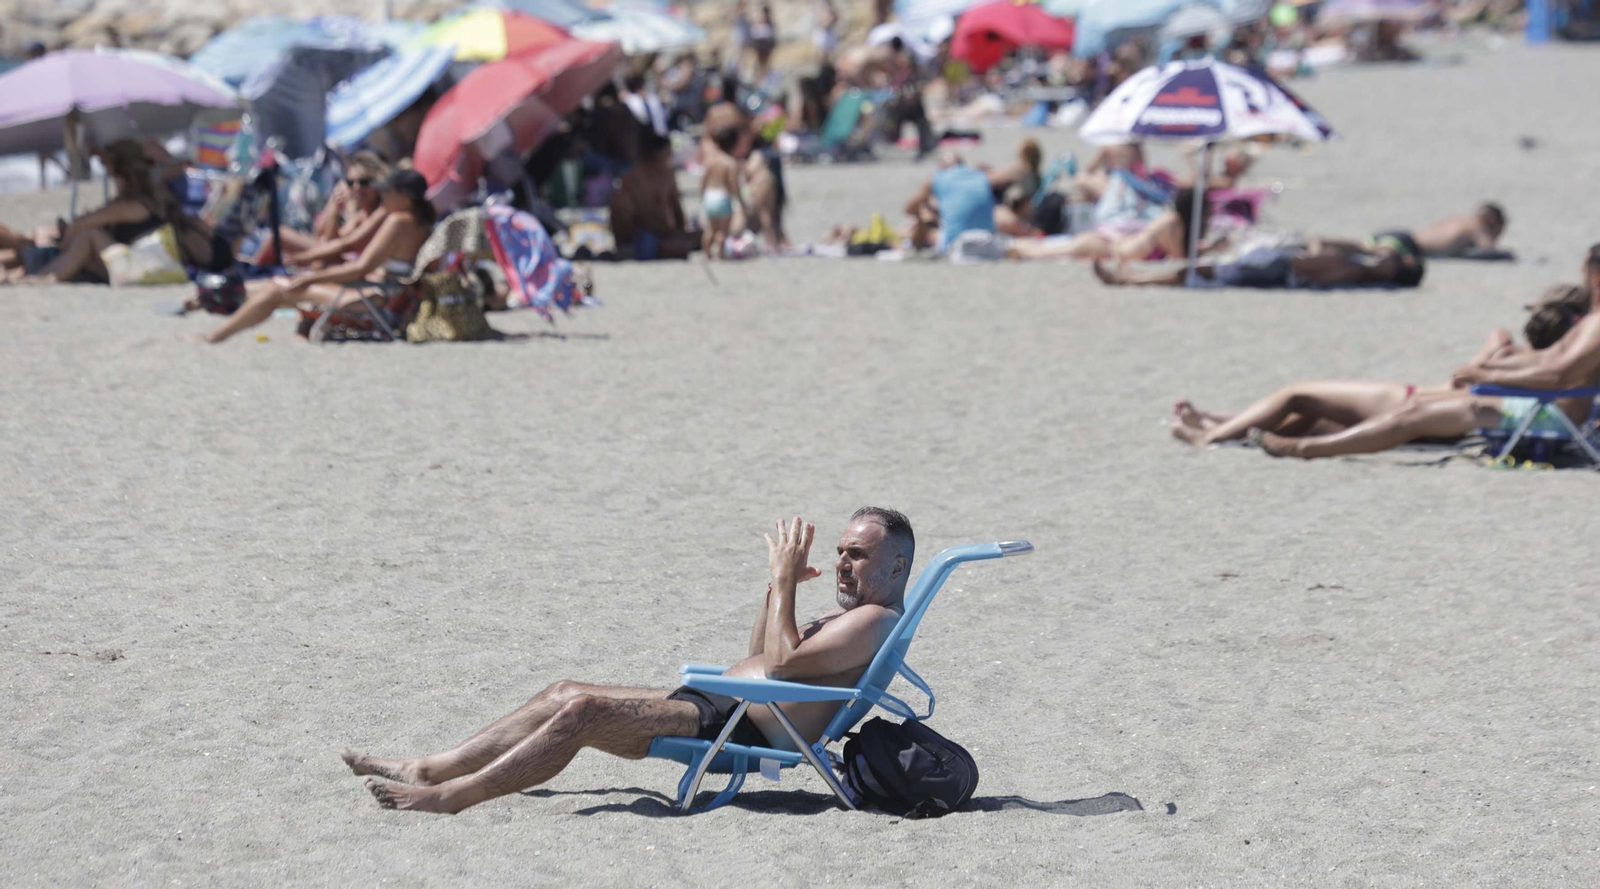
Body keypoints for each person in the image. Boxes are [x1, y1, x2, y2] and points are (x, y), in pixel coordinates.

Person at [343, 509, 917, 815]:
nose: (842, 563)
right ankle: (431, 767)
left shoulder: (875, 620)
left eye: (857, 554)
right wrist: (776, 595)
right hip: (722, 702)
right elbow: (759, 655)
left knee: (583, 714)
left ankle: (452, 798)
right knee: (563, 691)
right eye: (840, 551)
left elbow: (784, 666)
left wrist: (784, 584)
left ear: (894, 567)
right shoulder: (848, 618)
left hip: (742, 726)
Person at [1171, 251, 1600, 459]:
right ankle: (1255, 434)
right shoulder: (1592, 320)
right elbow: (1549, 365)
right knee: (1410, 409)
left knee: (1411, 414)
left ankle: (1300, 448)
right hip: (1536, 411)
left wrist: (1489, 373)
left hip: (1545, 419)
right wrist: (1488, 369)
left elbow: (1559, 374)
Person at [193, 170, 434, 343]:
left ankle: (214, 335)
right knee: (279, 288)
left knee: (279, 289)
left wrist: (311, 277)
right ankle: (209, 317)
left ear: (405, 197)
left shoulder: (398, 221)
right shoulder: (421, 222)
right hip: (392, 300)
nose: (384, 199)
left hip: (378, 302)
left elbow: (360, 267)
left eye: (389, 193)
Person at [12, 139, 230, 284]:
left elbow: (81, 225)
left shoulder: (130, 205)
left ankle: (44, 278)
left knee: (85, 236)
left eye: (105, 164)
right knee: (60, 240)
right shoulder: (154, 196)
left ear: (118, 172)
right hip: (150, 264)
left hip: (141, 271)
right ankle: (30, 274)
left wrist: (65, 242)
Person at [1091, 232, 1424, 289]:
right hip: (1282, 262)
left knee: (1201, 272)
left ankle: (1129, 279)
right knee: (1200, 271)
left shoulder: (1359, 269)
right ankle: (1131, 277)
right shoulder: (1362, 263)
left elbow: (1315, 268)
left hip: (1281, 265)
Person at [252, 152, 391, 267]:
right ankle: (255, 270)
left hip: (356, 275)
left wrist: (301, 257)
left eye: (364, 182)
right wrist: (334, 206)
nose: (356, 187)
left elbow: (336, 245)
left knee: (283, 238)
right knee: (282, 238)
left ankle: (253, 271)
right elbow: (329, 239)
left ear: (377, 183)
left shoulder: (380, 213)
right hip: (344, 266)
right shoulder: (361, 215)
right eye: (350, 182)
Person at [1008, 187, 1210, 263]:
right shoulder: (1172, 221)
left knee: (1054, 247)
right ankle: (1015, 248)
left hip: (1111, 245)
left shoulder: (1171, 220)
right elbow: (1178, 256)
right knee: (1050, 252)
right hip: (1110, 247)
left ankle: (1016, 246)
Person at [608, 133, 692, 261]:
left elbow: (676, 208)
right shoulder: (633, 179)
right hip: (642, 234)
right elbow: (621, 217)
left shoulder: (667, 175)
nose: (670, 156)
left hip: (662, 231)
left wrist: (679, 232)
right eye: (667, 153)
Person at [904, 152, 994, 252]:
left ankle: (914, 248)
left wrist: (925, 212)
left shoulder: (938, 177)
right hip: (987, 239)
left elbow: (909, 208)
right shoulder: (980, 176)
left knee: (922, 224)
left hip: (953, 243)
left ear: (941, 167)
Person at [1383, 203, 1507, 258]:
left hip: (1400, 236)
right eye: (1498, 233)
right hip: (1406, 248)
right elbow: (1490, 250)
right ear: (1492, 221)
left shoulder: (1458, 218)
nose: (1496, 237)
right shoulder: (1477, 224)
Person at [701, 126, 745, 259]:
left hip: (709, 195)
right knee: (722, 230)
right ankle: (720, 254)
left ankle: (706, 254)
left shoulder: (710, 161)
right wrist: (740, 200)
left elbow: (704, 180)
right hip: (722, 196)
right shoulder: (730, 162)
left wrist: (702, 195)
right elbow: (733, 183)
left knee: (710, 228)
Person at [750, 4, 778, 83]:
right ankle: (757, 79)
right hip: (759, 47)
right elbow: (754, 35)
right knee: (758, 65)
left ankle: (766, 79)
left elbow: (773, 36)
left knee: (766, 64)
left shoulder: (770, 24)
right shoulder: (758, 23)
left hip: (766, 47)